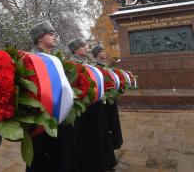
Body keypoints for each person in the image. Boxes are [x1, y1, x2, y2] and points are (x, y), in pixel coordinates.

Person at [27, 21, 80, 172]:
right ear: (39, 38)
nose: (55, 37)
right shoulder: (31, 59)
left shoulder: (56, 59)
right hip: (43, 122)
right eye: (50, 34)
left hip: (61, 120)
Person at [69, 39, 116, 172]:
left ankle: (102, 162)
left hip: (95, 104)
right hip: (85, 107)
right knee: (88, 138)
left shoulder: (87, 62)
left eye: (85, 45)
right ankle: (93, 164)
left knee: (99, 135)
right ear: (74, 49)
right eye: (81, 46)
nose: (85, 47)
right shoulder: (72, 64)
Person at [91, 44, 123, 151]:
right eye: (102, 51)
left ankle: (115, 143)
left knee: (113, 121)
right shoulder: (96, 67)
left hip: (111, 98)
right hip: (104, 99)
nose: (104, 53)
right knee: (108, 123)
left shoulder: (105, 65)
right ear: (98, 54)